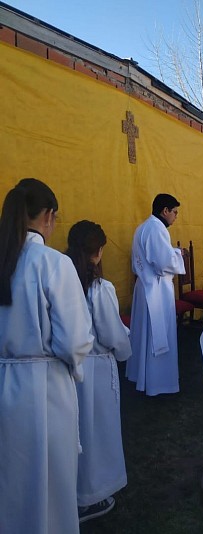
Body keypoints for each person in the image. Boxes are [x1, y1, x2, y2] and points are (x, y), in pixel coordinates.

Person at [0, 178, 93, 534]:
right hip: (44, 388)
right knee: (49, 482)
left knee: (11, 480)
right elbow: (73, 341)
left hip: (4, 383)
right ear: (49, 216)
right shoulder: (52, 263)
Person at [66, 220, 132, 523]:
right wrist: (123, 349)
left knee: (75, 430)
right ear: (99, 252)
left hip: (68, 369)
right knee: (96, 431)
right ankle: (92, 493)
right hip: (95, 367)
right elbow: (111, 334)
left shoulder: (62, 283)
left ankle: (72, 490)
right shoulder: (100, 289)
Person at [126, 193, 185, 396]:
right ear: (165, 211)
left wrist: (172, 253)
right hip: (156, 291)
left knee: (144, 334)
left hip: (145, 287)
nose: (176, 216)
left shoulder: (143, 227)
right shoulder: (156, 229)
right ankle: (157, 382)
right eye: (174, 212)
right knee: (157, 336)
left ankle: (141, 376)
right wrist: (178, 255)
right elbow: (163, 262)